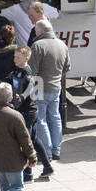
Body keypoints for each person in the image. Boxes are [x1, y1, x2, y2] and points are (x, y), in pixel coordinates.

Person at [7, 46, 50, 183]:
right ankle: (47, 167)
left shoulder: (27, 72)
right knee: (34, 139)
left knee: (26, 141)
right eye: (14, 56)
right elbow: (6, 81)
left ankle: (28, 173)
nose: (15, 59)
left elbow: (31, 86)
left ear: (26, 58)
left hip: (28, 112)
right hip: (26, 111)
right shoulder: (16, 70)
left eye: (18, 57)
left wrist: (22, 97)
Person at [27, 20, 68, 164]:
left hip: (41, 88)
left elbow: (32, 71)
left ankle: (47, 152)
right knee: (55, 117)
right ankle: (57, 150)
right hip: (56, 87)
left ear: (39, 31)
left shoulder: (38, 46)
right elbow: (67, 67)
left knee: (41, 120)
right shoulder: (62, 44)